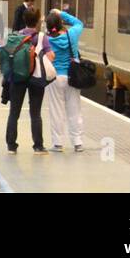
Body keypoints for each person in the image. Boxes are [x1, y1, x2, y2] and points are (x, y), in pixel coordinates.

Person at [0, 7, 53, 155]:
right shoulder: (42, 37)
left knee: (14, 113)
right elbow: (51, 56)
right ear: (37, 21)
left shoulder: (16, 36)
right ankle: (38, 146)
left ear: (24, 19)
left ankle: (11, 146)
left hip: (17, 77)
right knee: (35, 113)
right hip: (35, 78)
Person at [45, 8, 85, 152]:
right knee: (74, 109)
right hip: (72, 76)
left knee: (56, 111)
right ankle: (77, 142)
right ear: (61, 23)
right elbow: (79, 23)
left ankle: (57, 143)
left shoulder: (46, 40)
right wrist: (61, 13)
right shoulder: (72, 35)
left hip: (54, 78)